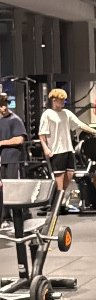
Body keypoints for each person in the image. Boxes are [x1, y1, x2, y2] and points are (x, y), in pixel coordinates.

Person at [38, 88, 96, 213]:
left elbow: (81, 124)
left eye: (64, 100)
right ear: (54, 100)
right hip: (56, 151)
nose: (63, 102)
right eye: (61, 100)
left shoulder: (66, 113)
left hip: (68, 150)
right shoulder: (47, 114)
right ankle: (57, 206)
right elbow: (42, 134)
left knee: (69, 175)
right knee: (59, 181)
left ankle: (57, 201)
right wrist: (46, 149)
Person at [0, 93, 28, 228]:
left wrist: (1, 143)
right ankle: (6, 218)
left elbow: (19, 139)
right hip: (3, 160)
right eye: (1, 106)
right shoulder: (1, 121)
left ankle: (22, 217)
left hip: (14, 159)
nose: (3, 108)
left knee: (15, 189)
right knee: (4, 190)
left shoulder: (15, 120)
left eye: (5, 105)